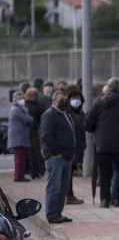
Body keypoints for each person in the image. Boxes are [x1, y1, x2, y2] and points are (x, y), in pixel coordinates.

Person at [85, 77, 119, 208]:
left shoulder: (99, 102)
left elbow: (88, 122)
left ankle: (104, 200)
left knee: (104, 173)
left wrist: (95, 131)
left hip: (102, 144)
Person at [40, 91, 76, 224]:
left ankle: (58, 213)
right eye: (62, 99)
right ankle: (51, 214)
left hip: (67, 156)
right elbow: (47, 135)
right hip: (56, 157)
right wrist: (55, 152)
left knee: (64, 187)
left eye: (66, 99)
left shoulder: (65, 114)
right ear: (54, 100)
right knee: (54, 186)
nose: (65, 101)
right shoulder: (49, 115)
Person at [64, 89, 86, 205]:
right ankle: (68, 194)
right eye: (73, 99)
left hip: (78, 147)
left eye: (78, 99)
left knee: (70, 171)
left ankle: (69, 194)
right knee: (68, 172)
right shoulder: (67, 113)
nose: (76, 101)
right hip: (70, 147)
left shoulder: (81, 113)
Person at [8, 91, 34, 182]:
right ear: (15, 100)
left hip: (20, 136)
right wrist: (30, 117)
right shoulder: (17, 109)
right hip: (19, 137)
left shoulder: (18, 109)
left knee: (20, 157)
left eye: (22, 98)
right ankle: (19, 176)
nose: (22, 100)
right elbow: (28, 119)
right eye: (19, 98)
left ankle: (18, 174)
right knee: (20, 157)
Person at [23, 87, 46, 179]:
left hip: (25, 130)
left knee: (27, 151)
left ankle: (28, 169)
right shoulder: (38, 106)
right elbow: (41, 118)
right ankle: (36, 170)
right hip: (35, 130)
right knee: (36, 150)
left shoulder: (24, 105)